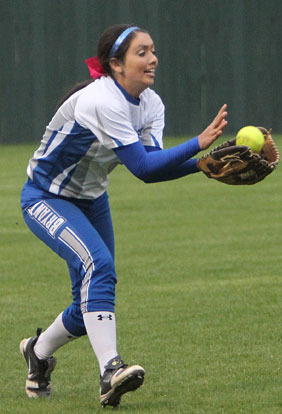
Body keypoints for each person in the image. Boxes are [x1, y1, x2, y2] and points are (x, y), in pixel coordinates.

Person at [19, 23, 228, 407]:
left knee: (90, 304)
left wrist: (203, 164)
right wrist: (198, 145)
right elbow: (142, 168)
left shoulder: (151, 104)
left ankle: (38, 351)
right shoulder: (101, 99)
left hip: (91, 199)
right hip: (46, 198)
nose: (153, 59)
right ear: (116, 64)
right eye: (142, 52)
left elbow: (153, 165)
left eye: (153, 50)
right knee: (100, 269)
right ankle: (110, 371)